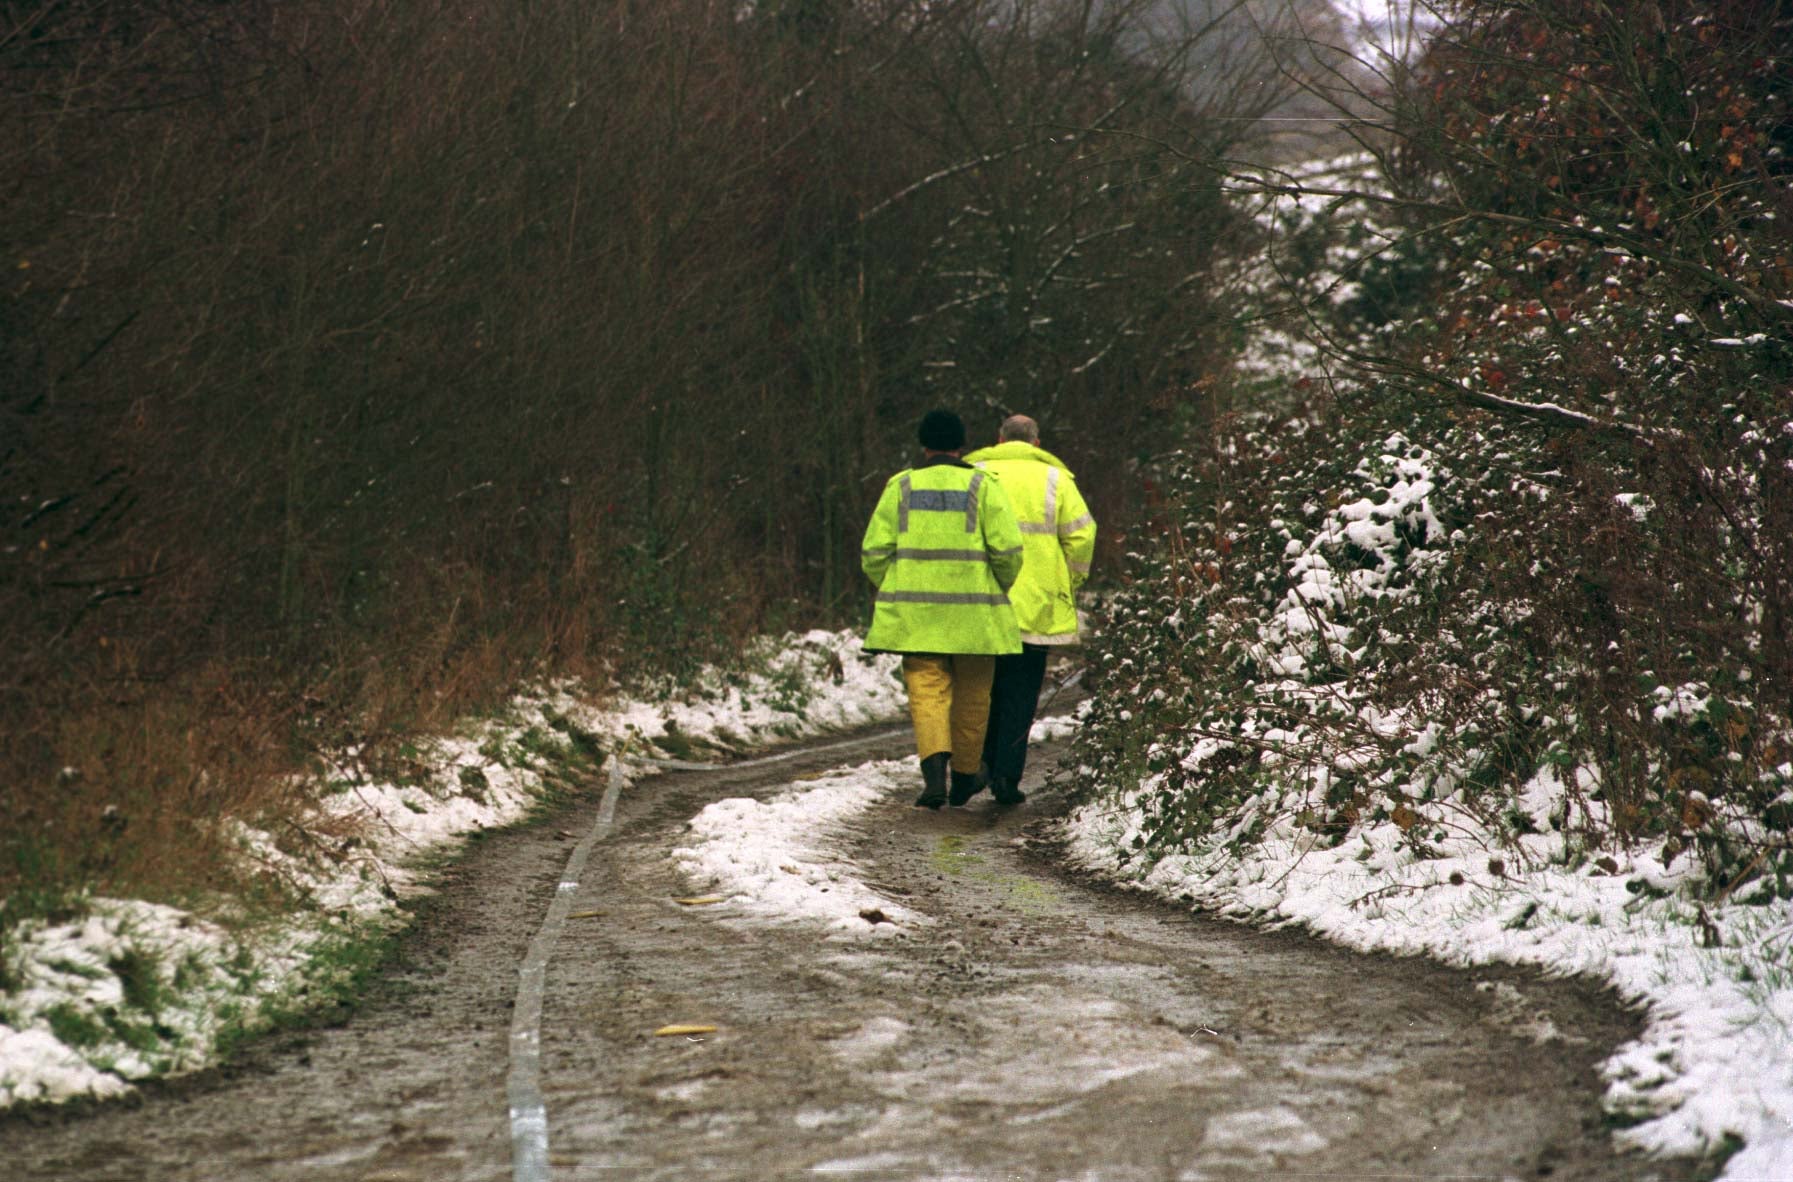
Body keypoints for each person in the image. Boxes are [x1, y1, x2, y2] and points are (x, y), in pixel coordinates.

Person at [862, 409, 1025, 809]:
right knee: (973, 695)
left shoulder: (900, 487)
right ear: (961, 445)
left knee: (927, 693)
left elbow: (874, 554)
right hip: (975, 619)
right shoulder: (982, 486)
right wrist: (993, 587)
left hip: (916, 619)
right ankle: (966, 777)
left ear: (924, 445)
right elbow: (1007, 552)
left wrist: (899, 587)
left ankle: (934, 777)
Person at [958, 414, 1097, 805]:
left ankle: (976, 765)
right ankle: (1007, 776)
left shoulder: (975, 472)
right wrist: (1070, 581)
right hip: (1037, 607)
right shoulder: (1056, 479)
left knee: (981, 690)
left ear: (998, 439)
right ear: (1036, 444)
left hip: (983, 602)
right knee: (1021, 694)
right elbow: (1083, 535)